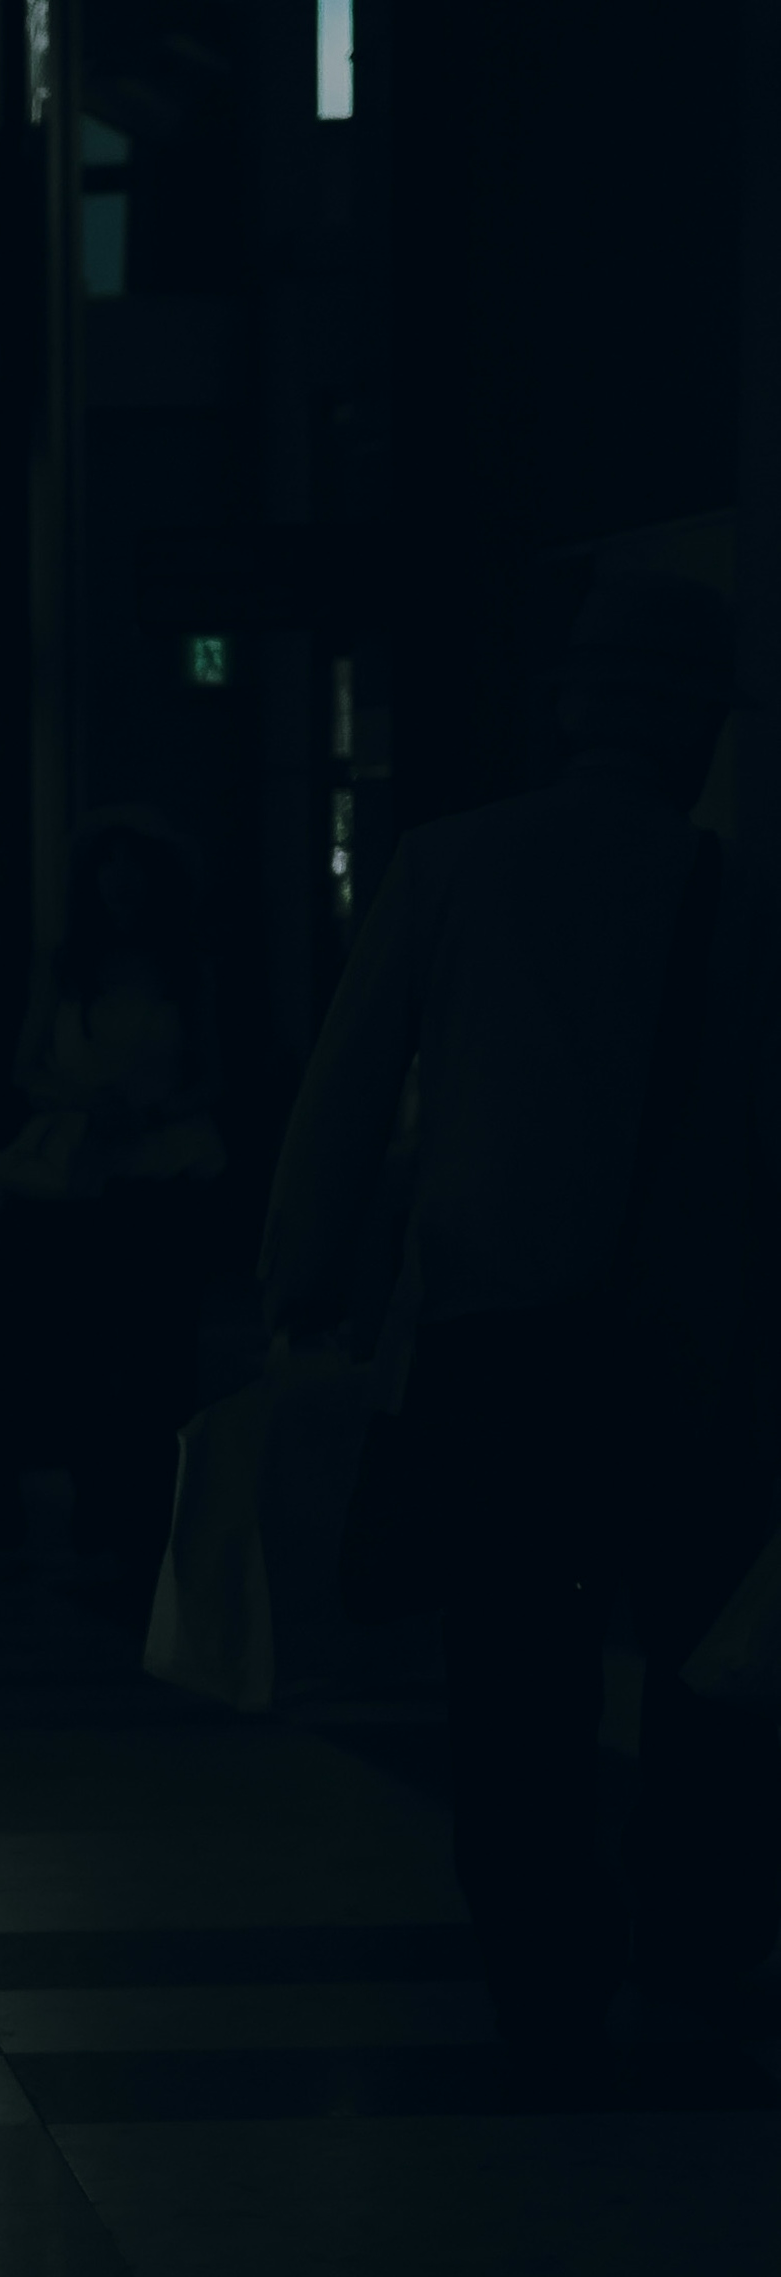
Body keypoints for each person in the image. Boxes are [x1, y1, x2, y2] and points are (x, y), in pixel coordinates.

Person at [265, 566, 774, 2082]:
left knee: (514, 1680)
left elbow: (344, 1100)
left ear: (569, 711)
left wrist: (302, 1284)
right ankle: (691, 1945)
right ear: (702, 727)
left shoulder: (449, 864)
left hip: (496, 1345)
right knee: (703, 1671)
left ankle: (543, 1976)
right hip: (699, 1356)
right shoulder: (742, 895)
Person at [0, 808, 226, 1615]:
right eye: (107, 872)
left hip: (167, 1176)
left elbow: (220, 1070)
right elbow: (27, 1066)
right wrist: (93, 1103)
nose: (119, 887)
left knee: (159, 1361)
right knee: (88, 1359)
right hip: (85, 1181)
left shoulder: (189, 969)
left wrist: (154, 1111)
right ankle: (105, 1526)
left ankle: (151, 1531)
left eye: (134, 873)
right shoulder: (65, 969)